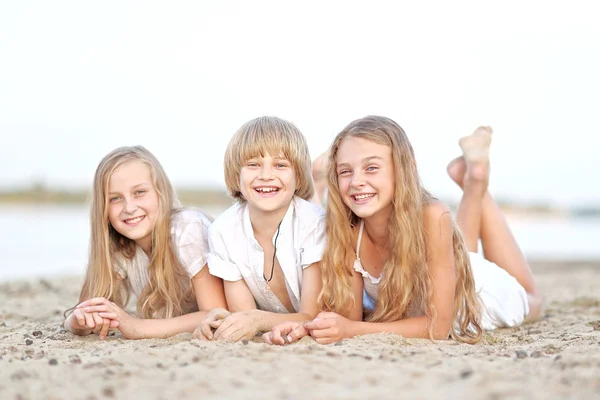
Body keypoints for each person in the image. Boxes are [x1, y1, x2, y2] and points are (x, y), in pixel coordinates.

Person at [264, 116, 542, 345]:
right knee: (458, 246)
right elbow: (350, 318)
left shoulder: (434, 215)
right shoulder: (347, 228)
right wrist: (314, 327)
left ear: (403, 169)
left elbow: (438, 327)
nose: (357, 181)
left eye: (371, 168)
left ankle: (477, 181)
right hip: (441, 267)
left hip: (477, 289)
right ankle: (472, 177)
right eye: (345, 171)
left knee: (533, 299)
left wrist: (350, 329)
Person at [63, 145, 227, 339]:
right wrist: (78, 320)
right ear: (103, 209)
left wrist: (137, 327)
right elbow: (84, 309)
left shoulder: (187, 229)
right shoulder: (118, 246)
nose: (129, 207)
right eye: (115, 198)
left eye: (139, 192)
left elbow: (216, 314)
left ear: (161, 193)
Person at [193, 116, 325, 342]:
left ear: (299, 174)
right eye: (253, 165)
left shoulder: (314, 223)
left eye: (281, 165)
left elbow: (312, 315)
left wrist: (256, 320)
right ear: (237, 173)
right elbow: (242, 313)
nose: (265, 175)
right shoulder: (224, 230)